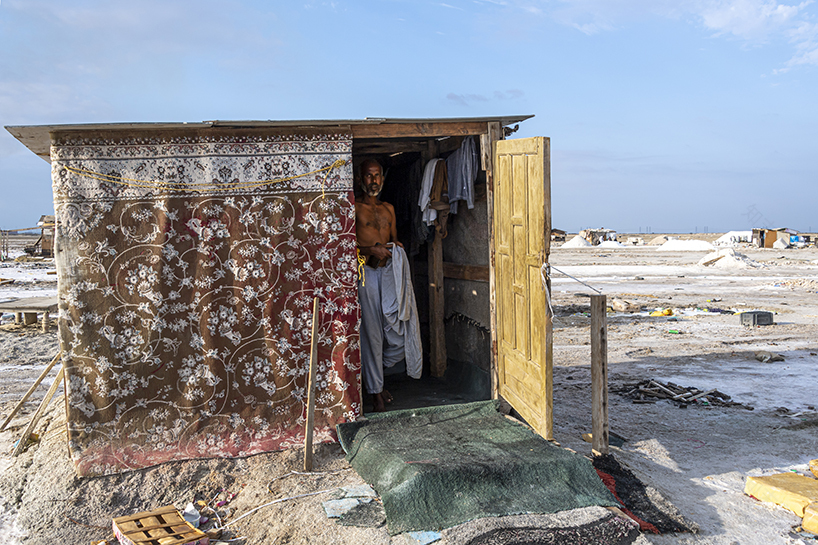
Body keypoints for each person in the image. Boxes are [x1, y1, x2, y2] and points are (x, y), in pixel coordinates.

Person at [355, 159, 422, 412]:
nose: (373, 181)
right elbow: (345, 246)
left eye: (377, 176)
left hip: (388, 273)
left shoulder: (389, 209)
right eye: (369, 176)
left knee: (397, 329)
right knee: (371, 333)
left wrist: (397, 248)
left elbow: (393, 241)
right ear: (361, 179)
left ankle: (374, 378)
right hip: (366, 273)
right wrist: (369, 249)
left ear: (383, 178)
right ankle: (376, 391)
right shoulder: (354, 207)